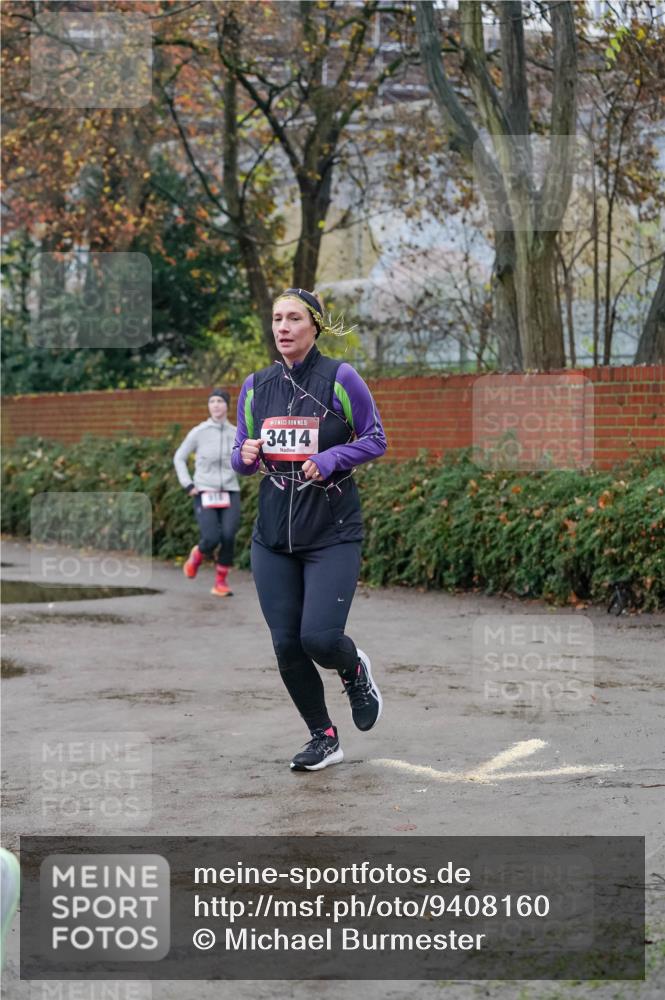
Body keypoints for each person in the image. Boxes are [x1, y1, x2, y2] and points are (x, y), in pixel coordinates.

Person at [231, 288, 387, 771]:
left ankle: (354, 667)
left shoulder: (341, 377)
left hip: (331, 533)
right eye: (276, 318)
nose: (283, 327)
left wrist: (332, 456)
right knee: (286, 644)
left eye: (293, 318)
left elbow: (376, 439)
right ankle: (323, 738)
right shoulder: (256, 386)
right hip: (273, 538)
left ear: (314, 325)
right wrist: (245, 455)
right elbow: (239, 455)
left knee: (318, 637)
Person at [174, 388, 241, 597]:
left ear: (227, 406)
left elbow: (244, 459)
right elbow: (179, 458)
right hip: (204, 491)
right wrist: (188, 484)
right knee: (211, 538)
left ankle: (220, 582)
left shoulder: (236, 433)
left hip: (230, 490)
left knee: (229, 536)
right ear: (208, 406)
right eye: (212, 401)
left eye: (220, 401)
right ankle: (198, 554)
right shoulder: (199, 432)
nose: (216, 405)